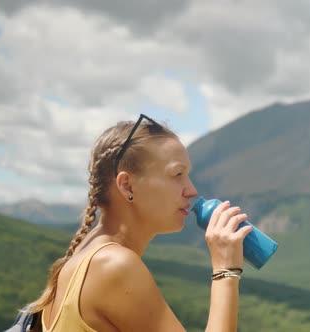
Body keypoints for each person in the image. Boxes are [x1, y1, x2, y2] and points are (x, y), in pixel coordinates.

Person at [26, 114, 253, 331]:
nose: (191, 190)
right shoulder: (113, 265)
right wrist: (226, 270)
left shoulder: (86, 254)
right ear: (127, 186)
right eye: (177, 175)